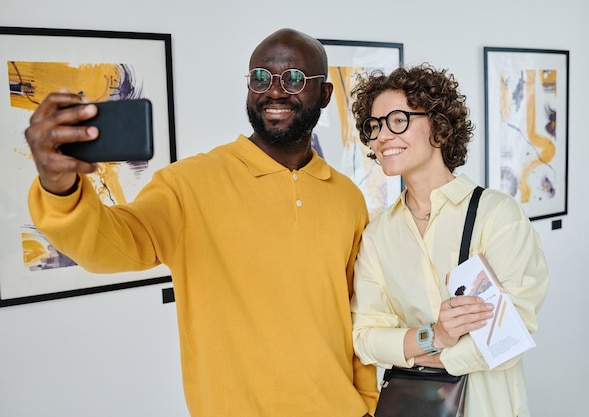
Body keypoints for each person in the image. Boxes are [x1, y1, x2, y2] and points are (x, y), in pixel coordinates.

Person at [25, 28, 378, 417]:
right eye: (261, 77)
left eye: (294, 79)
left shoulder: (347, 197)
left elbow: (357, 314)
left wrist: (368, 405)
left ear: (324, 94)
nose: (274, 91)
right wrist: (59, 189)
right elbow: (109, 248)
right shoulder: (188, 184)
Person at [349, 64, 549, 416]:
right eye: (374, 126)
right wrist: (436, 337)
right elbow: (365, 338)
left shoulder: (497, 216)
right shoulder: (378, 235)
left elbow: (508, 339)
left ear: (439, 128)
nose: (381, 135)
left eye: (398, 120)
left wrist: (411, 348)